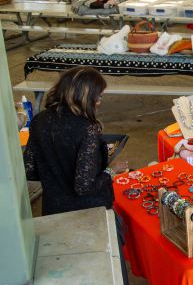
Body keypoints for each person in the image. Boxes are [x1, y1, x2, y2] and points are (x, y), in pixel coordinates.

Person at [23, 67, 128, 215]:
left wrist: (56, 169)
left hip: (53, 207)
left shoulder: (39, 120)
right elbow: (84, 187)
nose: (99, 101)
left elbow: (29, 171)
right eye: (99, 97)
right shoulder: (87, 128)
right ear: (85, 97)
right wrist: (112, 170)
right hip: (88, 212)